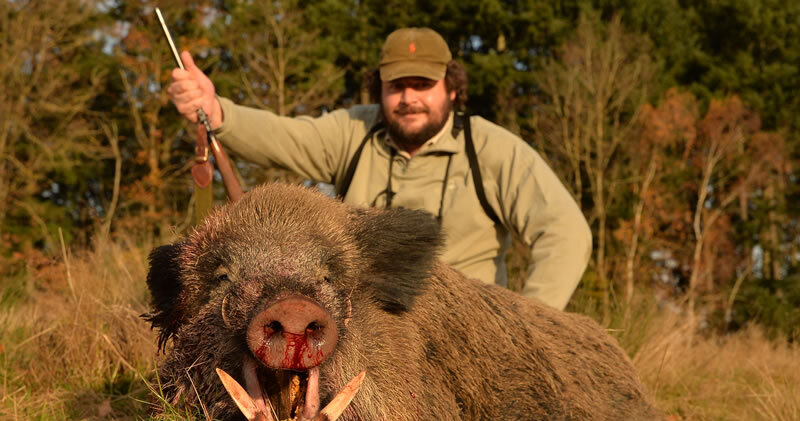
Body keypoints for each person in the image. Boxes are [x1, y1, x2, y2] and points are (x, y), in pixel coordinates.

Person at [168, 27, 591, 310]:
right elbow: (284, 137)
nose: (409, 98)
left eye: (423, 85)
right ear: (380, 89)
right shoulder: (354, 131)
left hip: (464, 336)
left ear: (452, 88)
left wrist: (523, 326)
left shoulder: (492, 149)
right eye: (396, 86)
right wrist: (218, 112)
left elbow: (565, 234)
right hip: (365, 331)